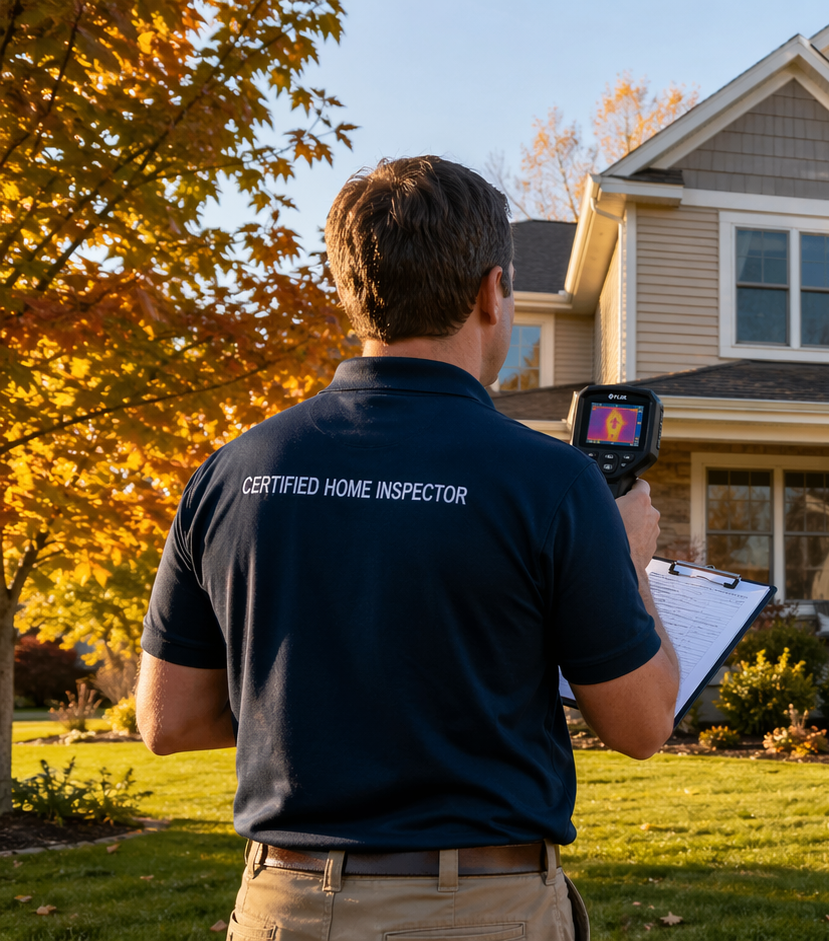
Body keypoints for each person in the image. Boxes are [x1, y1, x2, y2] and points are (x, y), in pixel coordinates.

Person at [135, 156, 680, 941]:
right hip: (478, 912)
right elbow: (641, 724)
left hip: (282, 908)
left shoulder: (232, 472)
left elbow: (168, 719)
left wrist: (327, 704)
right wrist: (629, 566)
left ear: (352, 291)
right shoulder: (553, 482)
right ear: (493, 291)